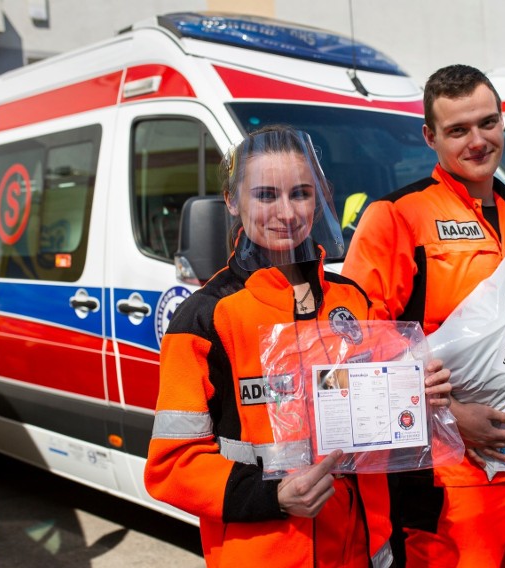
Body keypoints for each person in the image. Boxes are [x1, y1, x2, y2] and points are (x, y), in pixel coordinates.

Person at [144, 125, 451, 568]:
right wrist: (274, 495)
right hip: (269, 551)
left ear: (321, 195)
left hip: (366, 552)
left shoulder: (353, 299)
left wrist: (417, 398)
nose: (286, 213)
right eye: (266, 195)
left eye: (302, 194)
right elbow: (171, 466)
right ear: (232, 201)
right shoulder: (206, 318)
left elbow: (385, 433)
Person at [342, 65, 505, 567]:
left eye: (488, 123)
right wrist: (449, 419)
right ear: (429, 136)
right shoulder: (396, 216)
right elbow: (356, 350)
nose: (478, 140)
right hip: (453, 478)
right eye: (458, 130)